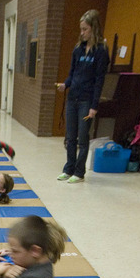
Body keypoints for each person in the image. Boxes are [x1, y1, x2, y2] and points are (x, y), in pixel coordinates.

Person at [56, 9, 109, 183]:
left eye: (85, 29)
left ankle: (79, 172)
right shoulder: (78, 49)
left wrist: (94, 106)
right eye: (81, 29)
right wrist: (66, 84)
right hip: (73, 97)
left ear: (94, 29)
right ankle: (68, 168)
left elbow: (99, 80)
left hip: (87, 100)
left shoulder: (101, 50)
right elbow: (72, 73)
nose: (82, 33)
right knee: (70, 137)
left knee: (82, 137)